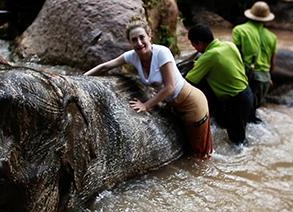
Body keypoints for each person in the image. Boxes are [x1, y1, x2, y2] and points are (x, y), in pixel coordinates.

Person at [84, 18, 213, 159]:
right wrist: (80, 79)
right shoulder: (132, 56)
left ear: (149, 36)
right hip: (175, 106)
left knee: (200, 155)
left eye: (142, 37)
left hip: (192, 104)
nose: (139, 43)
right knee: (187, 150)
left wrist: (146, 105)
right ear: (130, 42)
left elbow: (169, 87)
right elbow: (105, 66)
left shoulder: (162, 53)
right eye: (134, 40)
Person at [185, 24, 253, 145]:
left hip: (235, 101)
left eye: (194, 45)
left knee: (238, 142)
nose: (195, 48)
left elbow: (189, 81)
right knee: (239, 134)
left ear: (199, 43)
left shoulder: (209, 56)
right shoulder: (229, 45)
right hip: (247, 94)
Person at [232, 1, 277, 123]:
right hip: (264, 79)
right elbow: (272, 63)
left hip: (247, 77)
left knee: (240, 114)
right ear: (266, 18)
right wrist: (268, 76)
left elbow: (235, 54)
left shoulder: (239, 30)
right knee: (252, 114)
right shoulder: (272, 37)